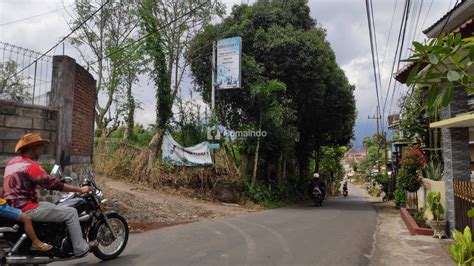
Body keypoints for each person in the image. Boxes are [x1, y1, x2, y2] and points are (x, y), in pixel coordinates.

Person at [2, 133, 97, 257]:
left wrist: (37, 184)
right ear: (34, 147)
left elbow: (20, 185)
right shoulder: (30, 166)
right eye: (41, 147)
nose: (42, 151)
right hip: (27, 208)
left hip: (12, 207)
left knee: (48, 204)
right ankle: (80, 247)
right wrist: (80, 189)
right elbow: (53, 184)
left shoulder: (12, 163)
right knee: (71, 212)